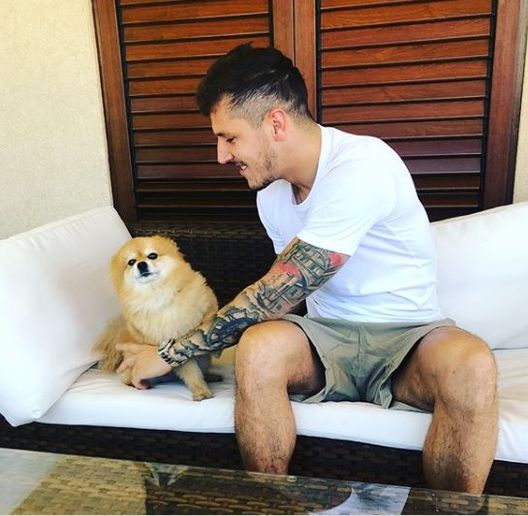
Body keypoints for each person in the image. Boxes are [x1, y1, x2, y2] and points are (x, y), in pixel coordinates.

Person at [117, 43, 498, 494]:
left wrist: (169, 354)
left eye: (230, 138)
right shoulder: (270, 195)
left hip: (409, 337)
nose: (221, 156)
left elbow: (278, 290)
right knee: (259, 347)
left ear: (276, 123)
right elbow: (287, 299)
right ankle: (271, 502)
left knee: (473, 364)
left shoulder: (363, 164)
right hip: (325, 339)